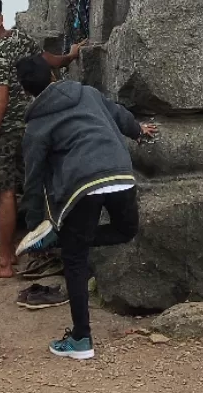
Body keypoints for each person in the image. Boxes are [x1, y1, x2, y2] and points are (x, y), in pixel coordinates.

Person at [14, 54, 156, 362]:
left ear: (25, 90)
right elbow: (118, 114)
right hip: (120, 172)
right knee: (125, 230)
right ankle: (65, 239)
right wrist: (138, 131)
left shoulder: (37, 123)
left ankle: (81, 339)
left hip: (81, 185)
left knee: (74, 259)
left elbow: (34, 175)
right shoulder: (87, 93)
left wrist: (35, 222)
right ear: (53, 74)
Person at [0, 0, 80, 282]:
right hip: (33, 127)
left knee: (4, 194)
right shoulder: (19, 38)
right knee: (36, 188)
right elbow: (46, 60)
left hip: (5, 134)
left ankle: (5, 261)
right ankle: (42, 250)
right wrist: (70, 56)